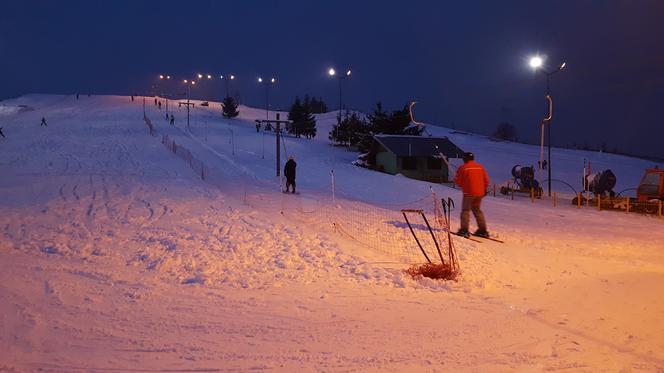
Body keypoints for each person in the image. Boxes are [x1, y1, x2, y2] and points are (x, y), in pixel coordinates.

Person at [455, 152, 490, 238]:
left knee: (466, 211)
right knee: (477, 210)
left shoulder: (463, 168)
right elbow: (487, 180)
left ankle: (464, 230)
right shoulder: (480, 167)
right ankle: (483, 230)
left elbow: (458, 182)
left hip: (469, 193)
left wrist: (461, 182)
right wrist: (484, 189)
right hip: (480, 193)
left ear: (465, 159)